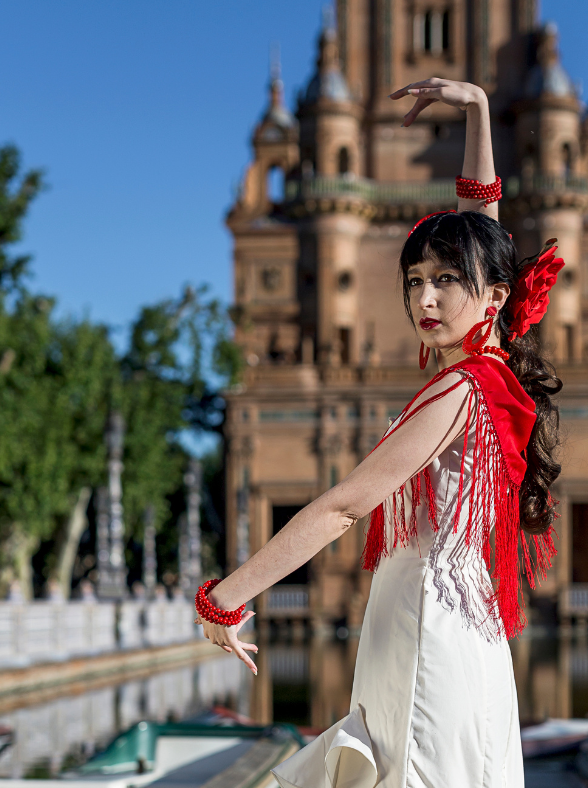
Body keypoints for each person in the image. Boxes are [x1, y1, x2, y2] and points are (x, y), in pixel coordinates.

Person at [193, 77, 563, 788]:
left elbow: (345, 505)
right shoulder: (490, 368)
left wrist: (226, 595)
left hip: (425, 617)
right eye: (414, 279)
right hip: (456, 619)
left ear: (493, 294)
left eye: (445, 281)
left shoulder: (458, 388)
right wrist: (481, 108)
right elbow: (481, 230)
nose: (425, 297)